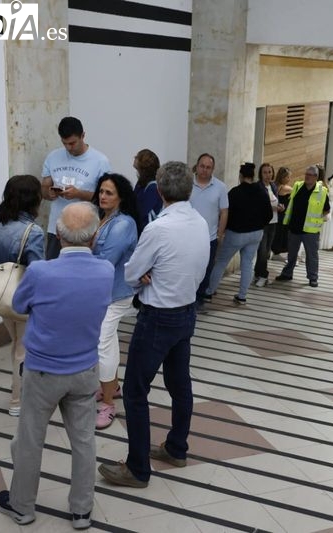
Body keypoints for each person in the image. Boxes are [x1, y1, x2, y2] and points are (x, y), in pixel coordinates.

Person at [0, 202, 113, 529]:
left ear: (59, 235)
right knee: (84, 442)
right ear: (94, 237)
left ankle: (23, 507)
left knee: (31, 440)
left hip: (43, 371)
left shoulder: (41, 272)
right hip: (85, 371)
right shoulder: (105, 271)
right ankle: (81, 512)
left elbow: (19, 304)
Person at [98, 161, 209, 488]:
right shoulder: (200, 222)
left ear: (159, 191)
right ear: (189, 189)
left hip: (158, 316)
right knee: (179, 384)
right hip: (186, 312)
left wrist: (146, 274)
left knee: (134, 391)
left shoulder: (158, 228)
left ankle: (137, 468)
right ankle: (176, 447)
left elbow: (132, 273)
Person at [0, 175, 45, 417]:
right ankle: (18, 401)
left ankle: (17, 386)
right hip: (25, 298)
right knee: (24, 349)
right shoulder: (34, 231)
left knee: (16, 345)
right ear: (34, 199)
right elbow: (38, 271)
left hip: (0, 295)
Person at [91, 173, 139, 429]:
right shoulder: (106, 218)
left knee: (102, 342)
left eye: (109, 192)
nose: (102, 196)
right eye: (101, 191)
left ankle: (108, 404)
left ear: (121, 197)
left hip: (118, 293)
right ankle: (113, 386)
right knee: (107, 341)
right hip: (106, 292)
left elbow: (105, 261)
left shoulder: (122, 224)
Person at [41, 116, 110, 260]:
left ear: (83, 136)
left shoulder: (100, 161)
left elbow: (107, 197)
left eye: (73, 143)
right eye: (65, 143)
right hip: (57, 229)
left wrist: (79, 194)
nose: (69, 148)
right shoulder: (53, 157)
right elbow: (44, 186)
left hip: (85, 230)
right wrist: (49, 193)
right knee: (53, 271)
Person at [205, 162, 272, 305]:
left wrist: (222, 231)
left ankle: (209, 292)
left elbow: (226, 213)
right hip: (256, 234)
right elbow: (269, 215)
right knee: (247, 264)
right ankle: (242, 296)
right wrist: (259, 225)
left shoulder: (235, 192)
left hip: (236, 234)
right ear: (253, 176)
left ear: (240, 176)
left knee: (222, 262)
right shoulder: (261, 191)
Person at [274, 165, 330, 287]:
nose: (307, 177)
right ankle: (287, 273)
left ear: (316, 177)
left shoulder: (322, 191)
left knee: (312, 255)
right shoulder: (298, 186)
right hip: (294, 227)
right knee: (292, 254)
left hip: (310, 230)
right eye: (306, 174)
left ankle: (313, 277)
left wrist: (316, 220)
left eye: (310, 175)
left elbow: (326, 210)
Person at [189, 153, 228, 311]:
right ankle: (186, 297)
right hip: (188, 237)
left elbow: (224, 212)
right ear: (197, 166)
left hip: (209, 238)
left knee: (206, 269)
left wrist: (219, 234)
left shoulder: (220, 187)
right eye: (202, 166)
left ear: (213, 169)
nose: (204, 170)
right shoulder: (187, 184)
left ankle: (199, 298)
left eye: (208, 167)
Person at [252, 163, 283, 287]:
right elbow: (257, 205)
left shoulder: (273, 186)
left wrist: (280, 207)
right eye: (265, 172)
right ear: (260, 174)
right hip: (263, 223)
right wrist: (272, 207)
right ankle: (263, 275)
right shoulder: (258, 187)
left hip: (273, 222)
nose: (267, 175)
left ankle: (257, 273)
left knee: (267, 250)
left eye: (269, 172)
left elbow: (276, 200)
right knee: (262, 251)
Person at [132, 149, 162, 235]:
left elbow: (143, 214)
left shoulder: (152, 188)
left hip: (145, 232)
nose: (134, 158)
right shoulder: (142, 183)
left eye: (137, 157)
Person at [269, 166, 292, 261]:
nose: (289, 179)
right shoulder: (286, 188)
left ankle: (273, 251)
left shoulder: (275, 185)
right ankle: (277, 252)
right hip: (282, 214)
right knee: (281, 234)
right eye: (288, 177)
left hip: (275, 214)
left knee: (276, 234)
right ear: (283, 177)